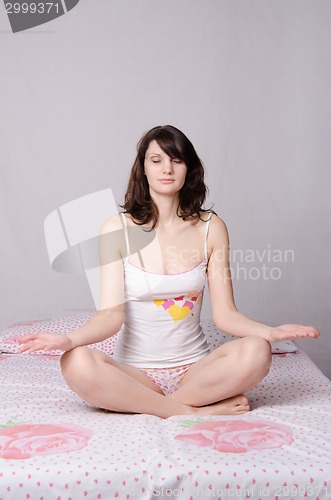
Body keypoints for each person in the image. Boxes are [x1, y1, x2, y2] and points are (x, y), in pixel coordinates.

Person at [18, 125, 320, 419]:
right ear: (143, 168)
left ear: (189, 168)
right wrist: (69, 341)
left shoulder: (211, 228)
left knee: (257, 350)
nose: (167, 168)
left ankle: (153, 406)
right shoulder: (116, 229)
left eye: (176, 160)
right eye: (157, 160)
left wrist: (270, 333)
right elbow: (110, 316)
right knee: (75, 362)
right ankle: (191, 410)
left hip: (196, 373)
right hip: (134, 374)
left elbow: (226, 315)